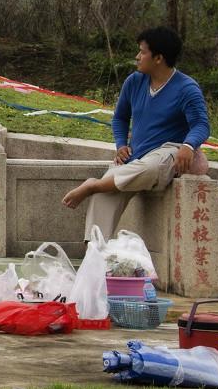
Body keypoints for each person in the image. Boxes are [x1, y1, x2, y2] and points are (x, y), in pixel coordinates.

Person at [62, 26, 210, 239]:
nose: (137, 56)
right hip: (136, 155)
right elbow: (120, 117)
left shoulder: (187, 88)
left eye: (142, 52)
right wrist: (121, 144)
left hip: (169, 150)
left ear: (158, 58)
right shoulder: (134, 81)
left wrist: (188, 145)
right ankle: (94, 256)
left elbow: (201, 125)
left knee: (152, 167)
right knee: (102, 197)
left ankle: (93, 184)